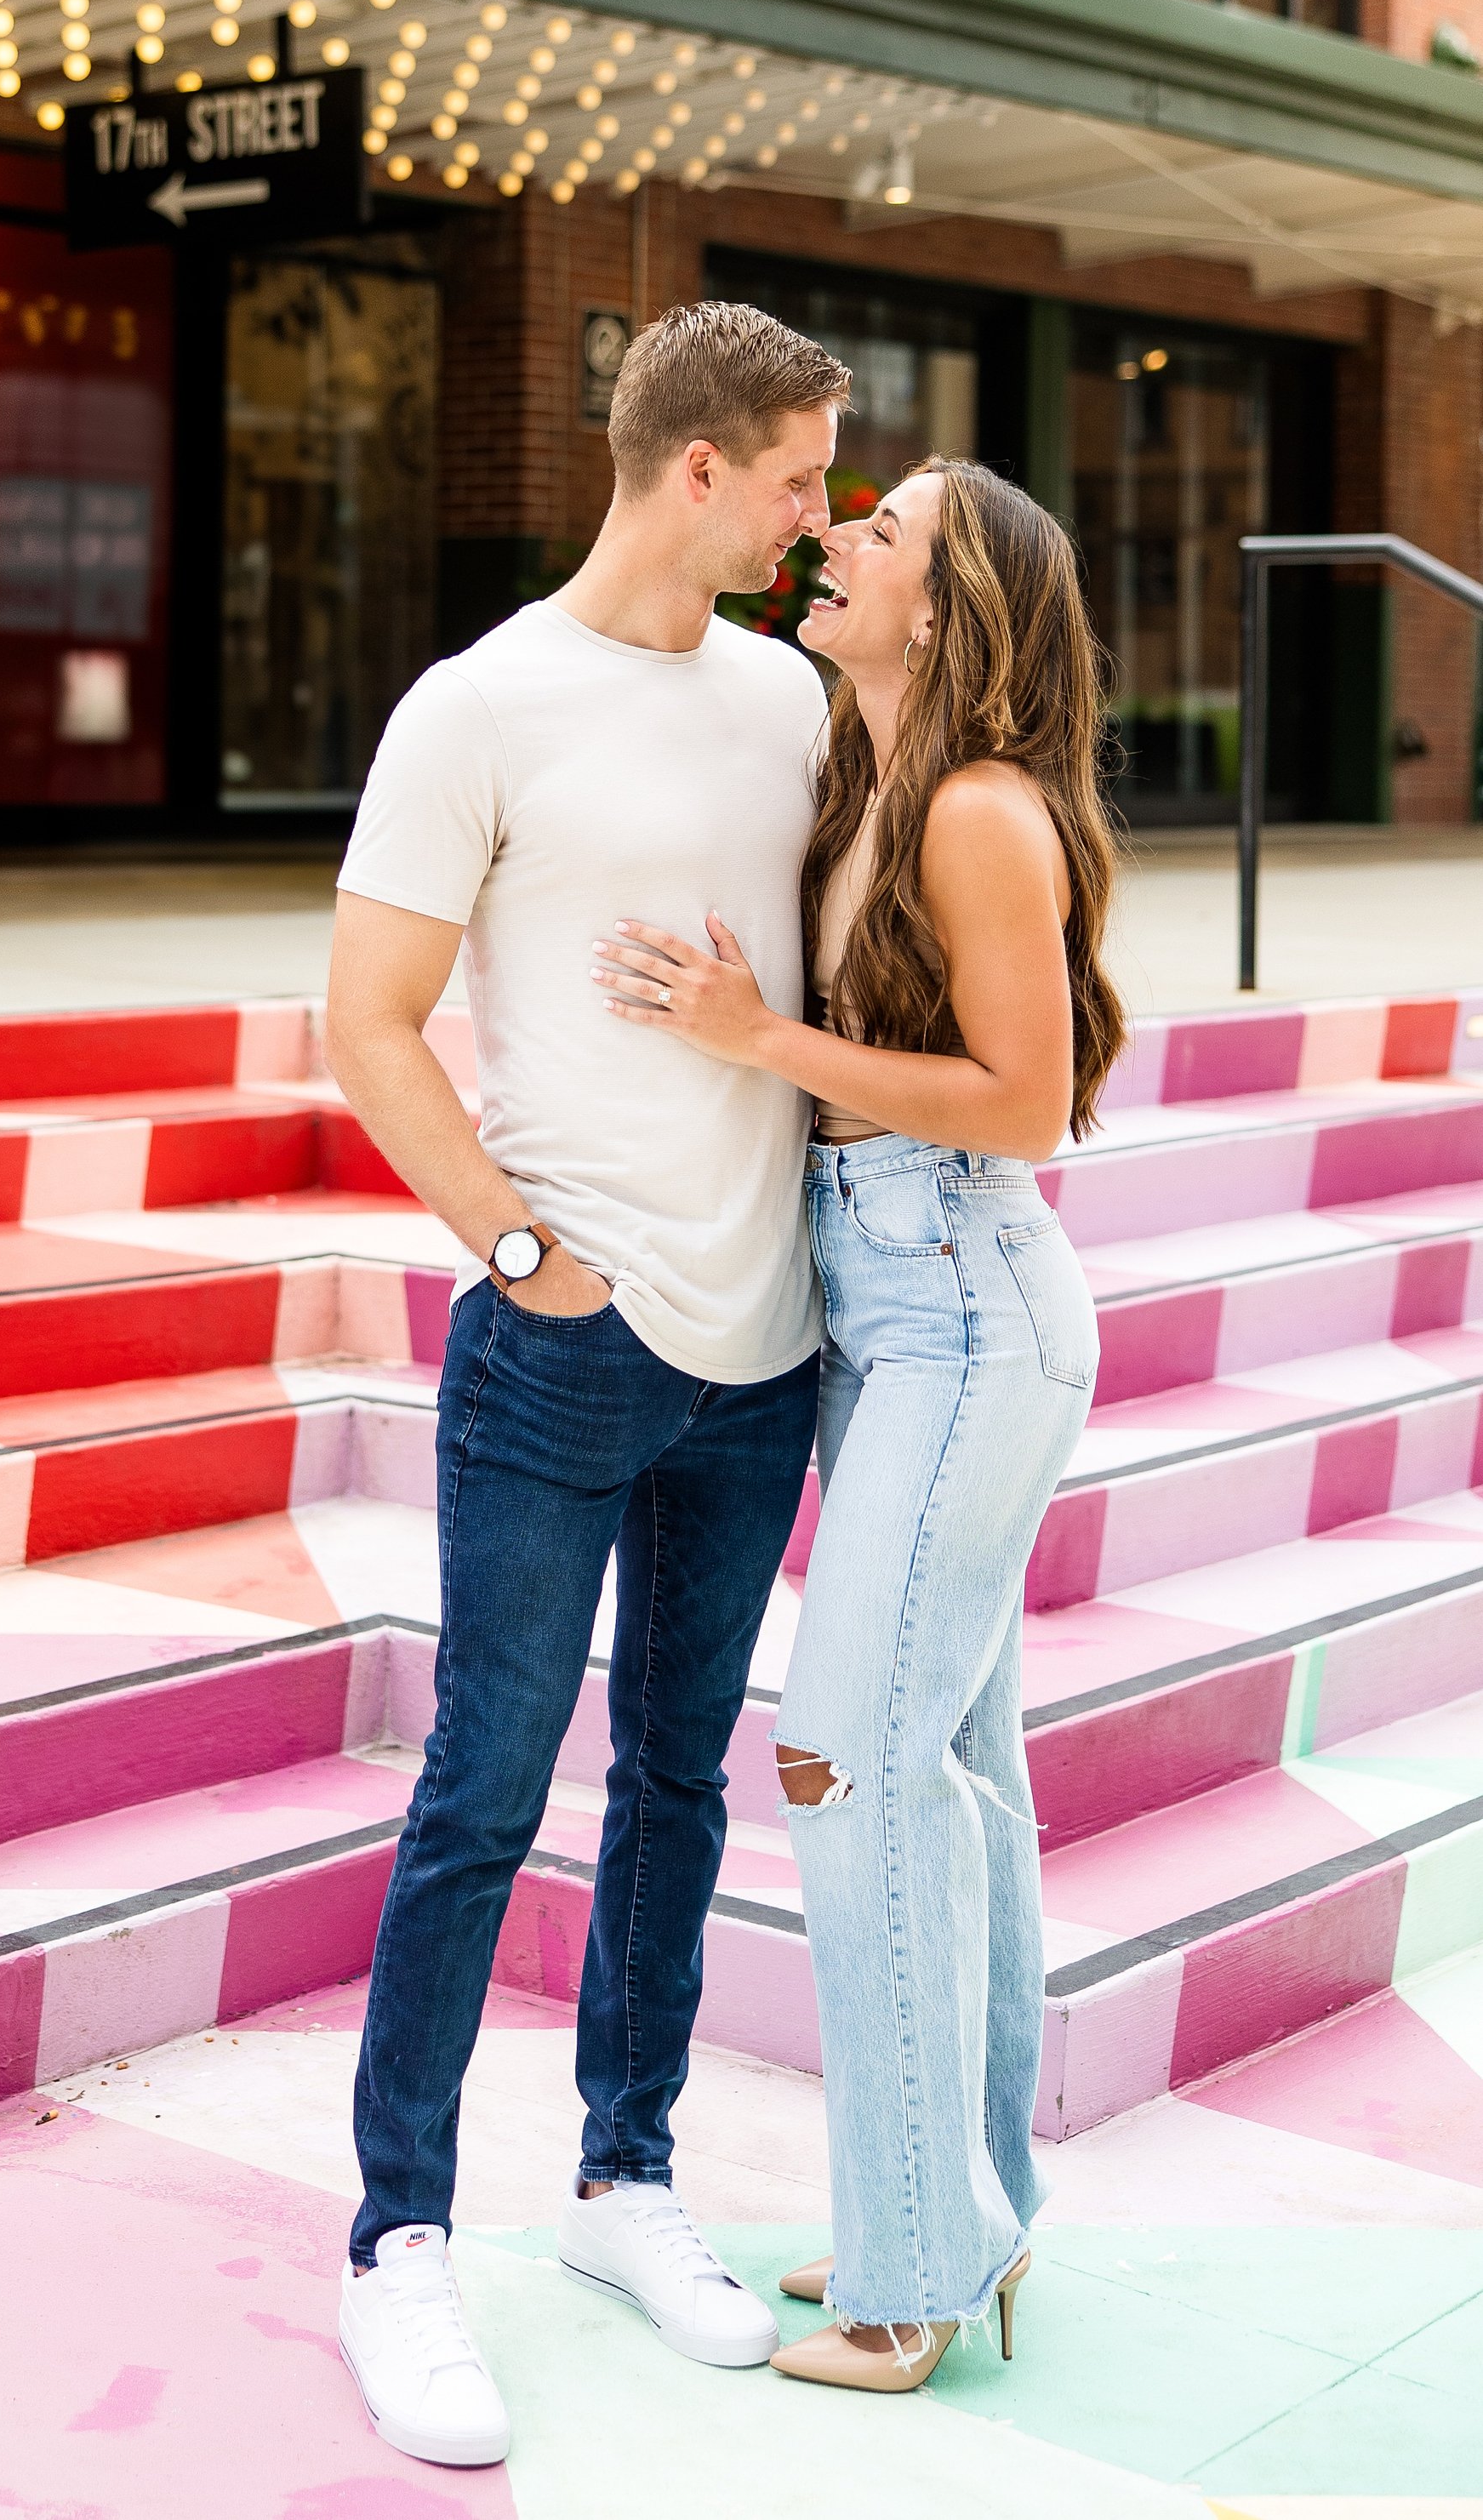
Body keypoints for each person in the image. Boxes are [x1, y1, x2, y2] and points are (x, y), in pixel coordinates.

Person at [327, 300, 849, 2469]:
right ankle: (397, 2239)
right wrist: (518, 1253)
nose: (824, 519)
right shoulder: (478, 705)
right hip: (568, 1339)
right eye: (804, 477)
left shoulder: (795, 697)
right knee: (479, 1790)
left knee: (679, 1784)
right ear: (697, 472)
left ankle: (624, 2184)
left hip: (765, 1349)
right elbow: (364, 1021)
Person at [592, 455, 1124, 2393]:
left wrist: (759, 1043)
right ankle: (961, 2224)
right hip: (876, 1298)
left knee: (842, 1757)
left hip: (962, 1299)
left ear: (947, 607)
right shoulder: (859, 778)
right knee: (948, 1768)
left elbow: (1025, 1102)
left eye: (877, 536)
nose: (833, 546)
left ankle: (912, 2272)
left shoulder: (977, 810)